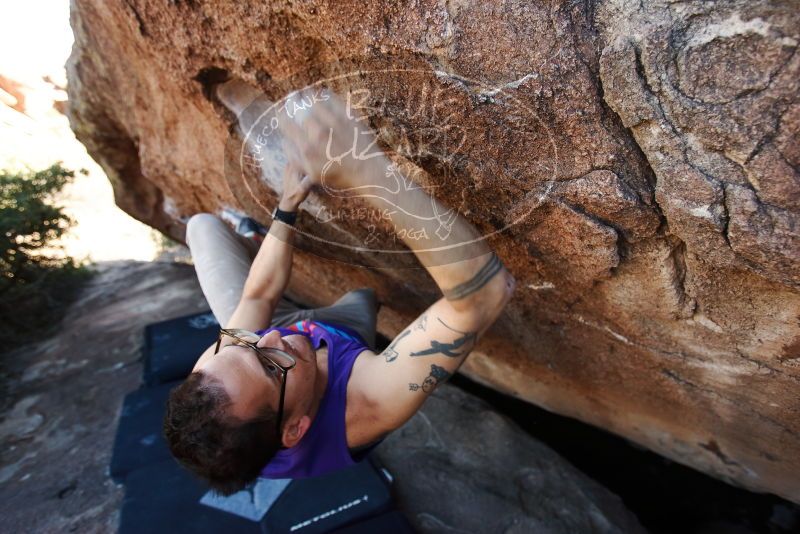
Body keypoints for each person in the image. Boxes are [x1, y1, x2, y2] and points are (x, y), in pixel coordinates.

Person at [163, 82, 516, 495]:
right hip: (345, 341)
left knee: (201, 228)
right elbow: (486, 294)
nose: (272, 336)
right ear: (295, 429)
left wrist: (288, 206)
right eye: (271, 365)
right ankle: (346, 301)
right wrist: (365, 168)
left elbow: (258, 299)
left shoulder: (229, 375)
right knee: (363, 296)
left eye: (245, 346)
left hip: (308, 357)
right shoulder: (368, 403)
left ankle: (253, 233)